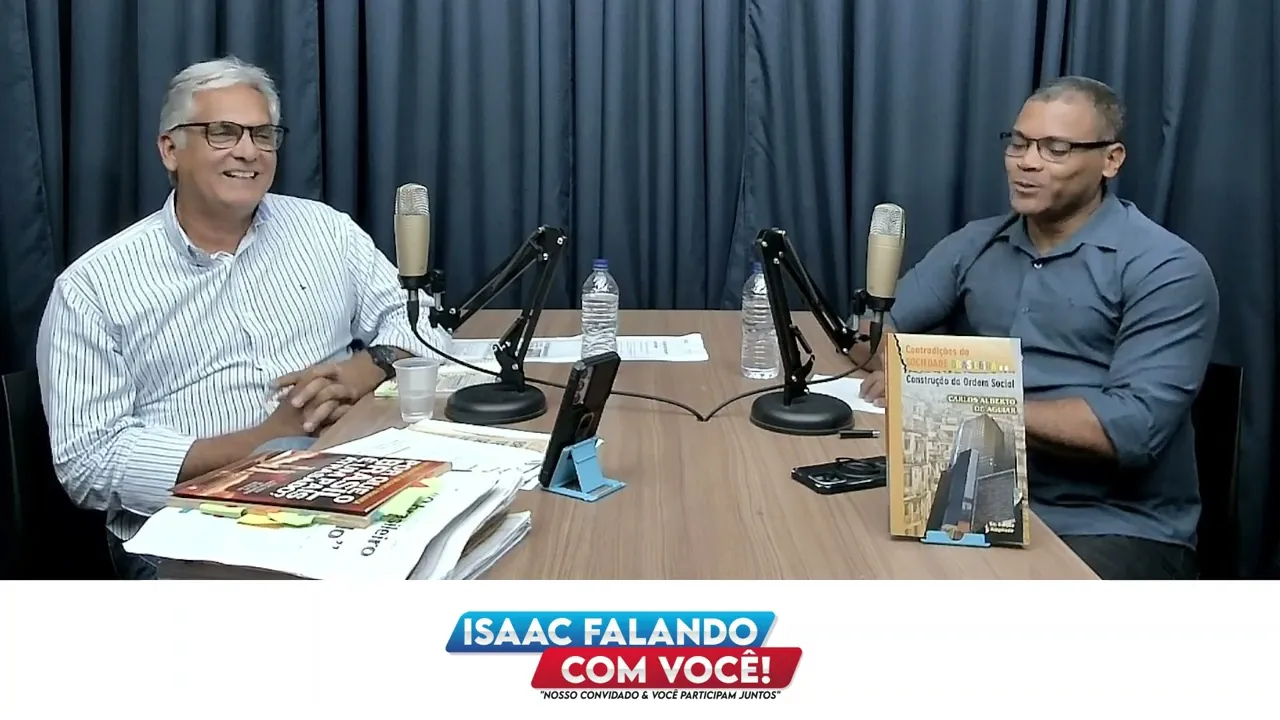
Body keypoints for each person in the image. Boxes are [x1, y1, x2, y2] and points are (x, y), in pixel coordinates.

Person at [34, 56, 449, 579]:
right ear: (170, 149)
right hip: (200, 531)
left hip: (357, 486)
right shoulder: (92, 289)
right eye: (223, 132)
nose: (248, 151)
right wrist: (264, 444)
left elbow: (420, 318)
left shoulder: (326, 231)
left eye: (263, 135)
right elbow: (89, 462)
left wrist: (362, 371)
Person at [856, 76, 1219, 580]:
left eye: (1056, 149)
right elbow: (870, 336)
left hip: (1108, 525)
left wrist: (958, 400)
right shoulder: (976, 244)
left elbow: (1133, 429)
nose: (1027, 162)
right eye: (1019, 143)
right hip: (973, 496)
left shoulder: (1166, 267)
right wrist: (894, 360)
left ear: (1110, 160)